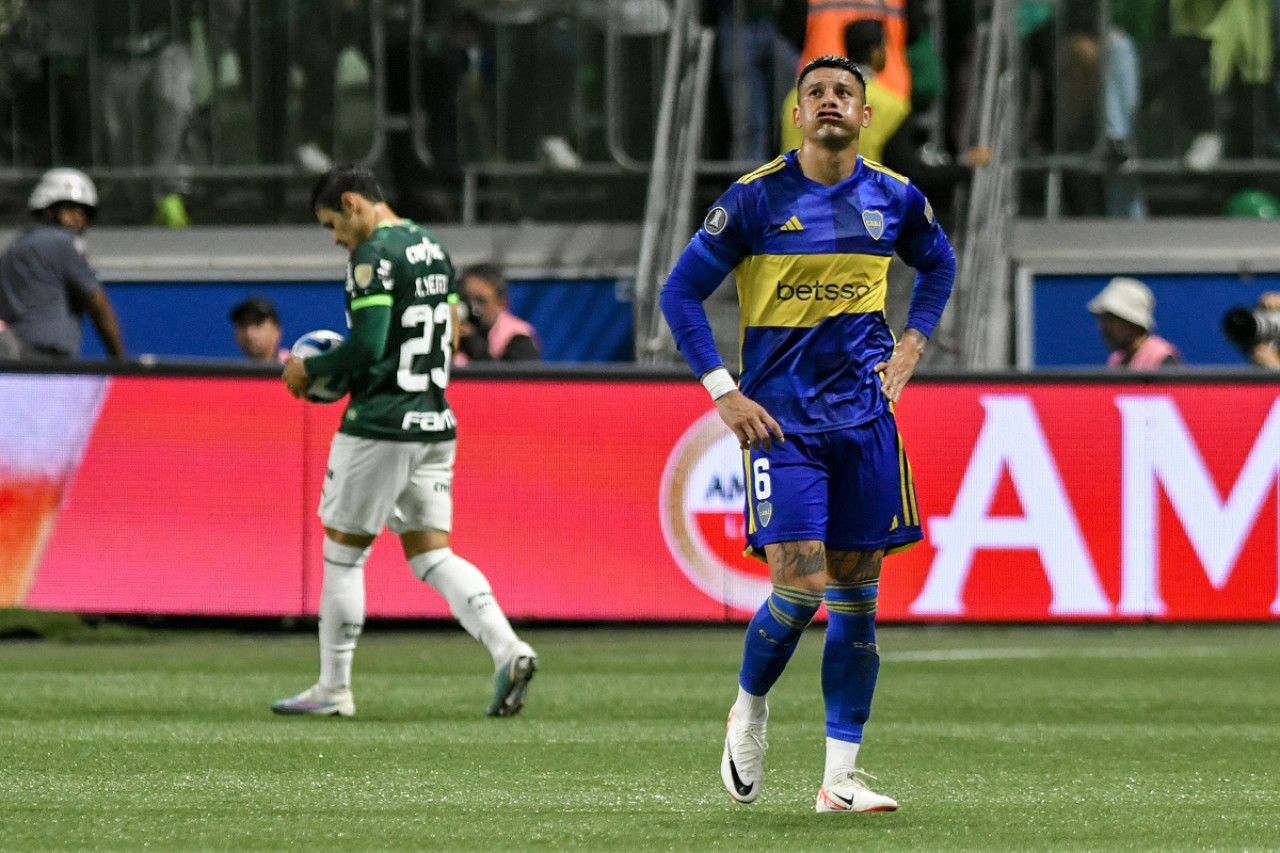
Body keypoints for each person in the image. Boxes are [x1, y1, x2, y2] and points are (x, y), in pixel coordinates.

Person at [660, 55, 955, 813]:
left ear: (865, 115)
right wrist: (723, 391)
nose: (829, 101)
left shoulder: (895, 198)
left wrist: (915, 340)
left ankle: (840, 779)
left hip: (865, 422)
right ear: (797, 115)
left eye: (844, 93)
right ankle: (749, 709)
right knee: (799, 588)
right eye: (815, 92)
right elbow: (680, 292)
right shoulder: (755, 199)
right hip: (782, 426)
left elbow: (939, 262)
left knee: (858, 602)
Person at [274, 164, 537, 719]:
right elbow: (448, 329)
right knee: (432, 554)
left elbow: (368, 346)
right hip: (435, 418)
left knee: (343, 555)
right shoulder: (432, 246)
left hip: (381, 423)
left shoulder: (371, 257)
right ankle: (507, 647)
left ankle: (333, 689)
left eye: (331, 225)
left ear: (352, 203)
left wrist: (308, 368)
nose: (335, 238)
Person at [0, 168, 127, 360]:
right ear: (48, 209)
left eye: (83, 212)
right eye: (69, 209)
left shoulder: (15, 247)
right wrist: (120, 362)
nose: (77, 218)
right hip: (46, 361)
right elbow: (99, 306)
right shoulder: (63, 244)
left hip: (12, 362)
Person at [1087, 276, 1181, 370]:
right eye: (1103, 320)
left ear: (1134, 323)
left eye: (1112, 320)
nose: (1103, 327)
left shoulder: (1162, 359)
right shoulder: (1116, 360)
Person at [454, 263, 541, 364]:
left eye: (481, 301)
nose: (473, 308)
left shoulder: (519, 338)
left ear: (502, 303)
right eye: (467, 300)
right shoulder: (451, 331)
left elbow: (511, 378)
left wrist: (475, 348)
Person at [229, 295, 288, 363]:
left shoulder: (297, 369)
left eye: (258, 323)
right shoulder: (233, 372)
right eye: (242, 324)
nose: (249, 332)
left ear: (277, 331)